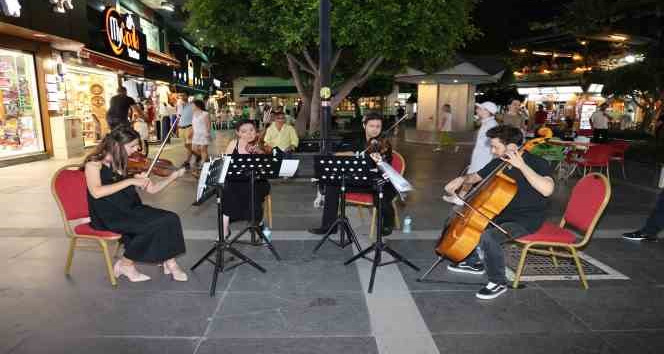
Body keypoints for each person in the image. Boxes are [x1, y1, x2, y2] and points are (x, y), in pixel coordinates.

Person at [443, 125, 555, 299]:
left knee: (490, 236)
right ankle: (474, 262)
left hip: (525, 219)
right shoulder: (499, 161)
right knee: (459, 215)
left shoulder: (537, 162)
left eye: (496, 146)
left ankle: (498, 282)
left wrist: (522, 166)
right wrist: (461, 179)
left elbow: (547, 189)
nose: (493, 151)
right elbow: (476, 177)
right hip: (500, 212)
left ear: (511, 147)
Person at [83, 126, 188, 282]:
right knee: (153, 225)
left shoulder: (126, 162)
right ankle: (128, 263)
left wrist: (172, 177)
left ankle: (167, 261)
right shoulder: (94, 164)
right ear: (117, 145)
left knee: (170, 218)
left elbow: (152, 190)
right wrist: (130, 180)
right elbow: (96, 192)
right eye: (132, 146)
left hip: (130, 209)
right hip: (109, 215)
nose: (137, 149)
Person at [309, 112, 397, 237]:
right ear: (364, 126)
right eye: (372, 126)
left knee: (382, 189)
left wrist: (379, 161)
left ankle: (388, 222)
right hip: (357, 178)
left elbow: (387, 167)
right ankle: (328, 226)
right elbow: (340, 153)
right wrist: (351, 154)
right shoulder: (356, 139)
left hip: (374, 180)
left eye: (378, 126)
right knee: (332, 186)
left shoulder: (384, 144)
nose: (375, 129)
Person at [221, 120, 271, 237]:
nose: (249, 134)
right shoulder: (233, 144)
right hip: (236, 179)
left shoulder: (261, 145)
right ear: (238, 133)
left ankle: (256, 221)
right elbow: (225, 164)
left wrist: (259, 152)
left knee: (253, 190)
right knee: (227, 190)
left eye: (251, 130)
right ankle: (224, 229)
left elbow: (267, 167)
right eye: (244, 131)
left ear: (256, 131)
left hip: (257, 180)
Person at [177, 94, 199, 170]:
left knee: (188, 144)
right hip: (181, 128)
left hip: (188, 127)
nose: (182, 97)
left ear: (188, 96)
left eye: (184, 95)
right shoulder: (179, 105)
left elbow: (195, 117)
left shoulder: (192, 105)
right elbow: (179, 116)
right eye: (181, 96)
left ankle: (187, 162)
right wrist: (178, 126)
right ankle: (197, 155)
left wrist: (193, 128)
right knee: (186, 146)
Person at [191, 100, 211, 177]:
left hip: (204, 134)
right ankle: (205, 160)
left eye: (192, 105)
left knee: (203, 149)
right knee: (194, 149)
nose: (192, 107)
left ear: (197, 105)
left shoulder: (205, 114)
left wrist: (207, 134)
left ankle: (203, 165)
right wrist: (192, 133)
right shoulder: (193, 114)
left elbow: (208, 125)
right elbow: (193, 125)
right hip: (196, 135)